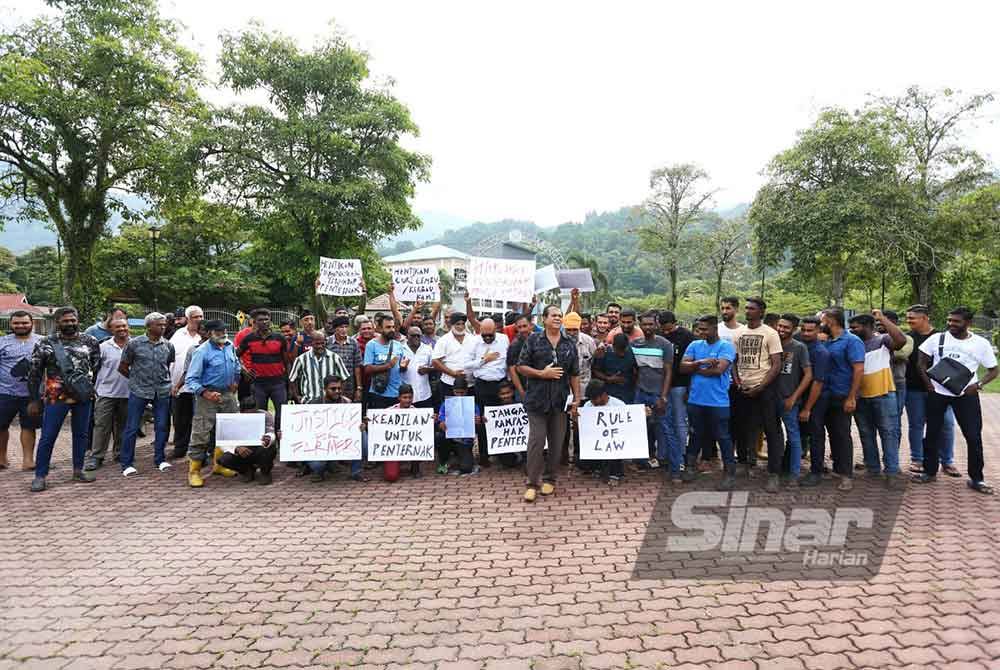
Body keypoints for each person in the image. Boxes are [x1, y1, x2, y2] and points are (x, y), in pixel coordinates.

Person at [915, 306, 998, 494]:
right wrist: (929, 385)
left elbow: (994, 370)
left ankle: (977, 479)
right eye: (949, 320)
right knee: (932, 433)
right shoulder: (937, 339)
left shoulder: (980, 343)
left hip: (966, 395)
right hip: (937, 393)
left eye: (956, 321)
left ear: (968, 323)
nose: (951, 324)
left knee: (973, 436)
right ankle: (929, 472)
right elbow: (921, 362)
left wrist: (977, 386)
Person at [27, 307, 101, 492]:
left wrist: (87, 386)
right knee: (48, 436)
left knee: (81, 434)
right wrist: (34, 399)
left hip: (83, 395)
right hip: (56, 396)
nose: (70, 323)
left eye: (73, 320)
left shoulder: (90, 341)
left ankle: (78, 470)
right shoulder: (46, 343)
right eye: (65, 320)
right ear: (57, 322)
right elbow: (34, 373)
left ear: (78, 320)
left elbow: (96, 366)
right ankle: (40, 476)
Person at [516, 305, 581, 502]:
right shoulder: (533, 340)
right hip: (536, 400)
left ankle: (550, 479)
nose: (557, 318)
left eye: (560, 316)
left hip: (560, 402)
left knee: (556, 442)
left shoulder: (570, 343)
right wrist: (541, 374)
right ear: (544, 319)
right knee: (536, 440)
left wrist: (576, 399)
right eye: (553, 315)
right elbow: (521, 366)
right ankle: (532, 483)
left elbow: (575, 374)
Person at [847, 310, 907, 484]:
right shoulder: (853, 344)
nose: (852, 330)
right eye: (850, 328)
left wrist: (882, 319)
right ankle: (873, 468)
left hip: (883, 394)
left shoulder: (882, 340)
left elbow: (901, 341)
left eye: (855, 327)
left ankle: (892, 471)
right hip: (859, 396)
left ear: (868, 326)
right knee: (866, 433)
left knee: (888, 433)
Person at [732, 297, 784, 492]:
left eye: (752, 308)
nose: (748, 311)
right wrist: (737, 382)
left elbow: (776, 364)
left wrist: (761, 387)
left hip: (765, 390)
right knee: (744, 428)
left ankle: (773, 473)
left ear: (761, 312)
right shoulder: (739, 333)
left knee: (772, 430)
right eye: (746, 308)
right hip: (743, 390)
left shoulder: (770, 334)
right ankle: (745, 464)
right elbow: (734, 361)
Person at [680, 315, 738, 490]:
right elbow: (682, 368)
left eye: (705, 329)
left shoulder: (726, 346)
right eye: (699, 329)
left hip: (718, 401)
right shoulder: (695, 345)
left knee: (723, 436)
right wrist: (702, 362)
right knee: (695, 433)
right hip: (696, 399)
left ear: (715, 328)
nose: (701, 332)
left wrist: (694, 368)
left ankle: (729, 473)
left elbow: (718, 370)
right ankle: (690, 467)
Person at [184, 319, 241, 488]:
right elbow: (191, 379)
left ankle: (220, 465)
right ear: (209, 334)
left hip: (227, 395)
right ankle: (194, 471)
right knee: (201, 433)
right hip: (207, 396)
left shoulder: (230, 345)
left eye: (224, 331)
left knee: (228, 431)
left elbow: (237, 366)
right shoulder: (201, 351)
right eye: (218, 332)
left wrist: (236, 381)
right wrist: (206, 393)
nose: (223, 334)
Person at [117, 312, 176, 477]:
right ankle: (127, 463)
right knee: (132, 427)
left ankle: (160, 459)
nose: (163, 327)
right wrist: (135, 380)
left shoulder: (168, 345)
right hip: (139, 390)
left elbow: (168, 365)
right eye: (159, 324)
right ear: (149, 326)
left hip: (162, 390)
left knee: (162, 426)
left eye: (164, 325)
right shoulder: (134, 344)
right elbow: (122, 367)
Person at [904, 304, 958, 476]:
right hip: (914, 389)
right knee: (916, 424)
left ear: (925, 318)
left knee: (947, 424)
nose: (908, 321)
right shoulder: (907, 338)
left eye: (912, 318)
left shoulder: (943, 337)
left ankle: (947, 461)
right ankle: (917, 459)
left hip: (941, 390)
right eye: (908, 318)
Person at [817, 307, 865, 491]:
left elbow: (858, 369)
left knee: (842, 433)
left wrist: (852, 396)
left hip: (842, 393)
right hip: (824, 393)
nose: (820, 324)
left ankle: (846, 475)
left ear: (831, 321)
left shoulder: (852, 341)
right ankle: (835, 468)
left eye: (822, 320)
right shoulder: (826, 341)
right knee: (828, 432)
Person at [83, 318, 130, 471]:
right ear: (111, 330)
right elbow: (93, 368)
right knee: (102, 425)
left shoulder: (135, 345)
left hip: (128, 392)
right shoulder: (102, 347)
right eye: (118, 327)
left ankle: (120, 453)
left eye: (124, 326)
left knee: (123, 426)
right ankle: (97, 456)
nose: (122, 329)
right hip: (105, 393)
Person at [632, 311, 675, 476]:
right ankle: (642, 461)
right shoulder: (635, 344)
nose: (648, 327)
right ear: (640, 325)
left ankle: (672, 465)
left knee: (665, 428)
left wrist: (663, 396)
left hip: (658, 393)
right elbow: (635, 369)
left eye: (651, 324)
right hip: (641, 392)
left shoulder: (665, 344)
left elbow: (668, 371)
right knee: (639, 427)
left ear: (657, 324)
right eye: (645, 324)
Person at [306, 376, 369, 483]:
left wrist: (361, 425)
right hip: (321, 442)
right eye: (333, 389)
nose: (337, 391)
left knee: (362, 436)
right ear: (325, 389)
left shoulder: (347, 403)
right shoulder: (314, 404)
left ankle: (356, 471)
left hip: (340, 440)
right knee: (317, 465)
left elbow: (354, 424)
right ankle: (320, 471)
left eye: (339, 388)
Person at [0, 310, 42, 471]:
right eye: (16, 323)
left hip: (32, 394)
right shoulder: (2, 342)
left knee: (29, 426)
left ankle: (28, 460)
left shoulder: (42, 341)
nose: (20, 326)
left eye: (24, 322)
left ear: (32, 323)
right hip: (5, 392)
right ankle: (2, 459)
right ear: (11, 324)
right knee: (1, 426)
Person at [774, 314, 813, 482]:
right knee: (774, 436)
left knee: (794, 437)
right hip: (770, 399)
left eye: (786, 327)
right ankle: (775, 470)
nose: (781, 330)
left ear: (794, 329)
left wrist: (793, 397)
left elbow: (808, 375)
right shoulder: (771, 343)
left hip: (789, 400)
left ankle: (794, 474)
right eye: (780, 326)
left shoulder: (799, 347)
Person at [236, 309, 289, 429]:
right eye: (261, 320)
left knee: (282, 415)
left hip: (278, 383)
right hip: (258, 384)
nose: (264, 322)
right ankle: (263, 445)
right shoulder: (249, 339)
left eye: (267, 319)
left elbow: (286, 362)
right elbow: (234, 356)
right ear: (254, 322)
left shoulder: (279, 338)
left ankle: (279, 442)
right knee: (260, 416)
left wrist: (288, 382)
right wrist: (244, 369)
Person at [468, 317, 509, 468]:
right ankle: (484, 454)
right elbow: (466, 365)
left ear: (496, 330)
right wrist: (484, 360)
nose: (487, 338)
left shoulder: (504, 340)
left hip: (501, 386)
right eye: (484, 335)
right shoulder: (473, 342)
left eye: (490, 335)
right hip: (482, 386)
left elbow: (508, 361)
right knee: (483, 422)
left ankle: (502, 453)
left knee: (502, 421)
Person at [797, 316, 833, 487]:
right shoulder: (800, 345)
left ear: (818, 330)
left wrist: (807, 408)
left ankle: (816, 471)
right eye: (803, 329)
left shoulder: (820, 352)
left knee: (816, 434)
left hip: (816, 398)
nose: (806, 333)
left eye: (810, 330)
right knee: (800, 433)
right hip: (800, 396)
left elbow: (818, 382)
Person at [659, 311, 695, 469]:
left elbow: (691, 363)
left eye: (669, 329)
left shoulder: (686, 336)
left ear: (675, 323)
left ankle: (680, 456)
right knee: (663, 421)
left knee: (680, 422)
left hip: (680, 384)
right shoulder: (659, 335)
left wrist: (689, 388)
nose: (666, 333)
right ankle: (663, 455)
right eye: (663, 330)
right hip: (661, 385)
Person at [169, 305, 204, 459]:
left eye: (201, 316)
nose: (199, 319)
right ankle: (180, 447)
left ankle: (198, 450)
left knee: (200, 419)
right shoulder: (178, 335)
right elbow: (171, 358)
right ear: (188, 318)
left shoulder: (205, 336)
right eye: (196, 317)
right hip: (180, 385)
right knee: (180, 418)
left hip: (200, 387)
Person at [217, 396, 277, 485]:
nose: (251, 416)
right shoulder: (232, 418)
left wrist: (268, 438)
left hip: (259, 448)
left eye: (254, 413)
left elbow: (271, 433)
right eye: (248, 414)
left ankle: (265, 472)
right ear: (241, 411)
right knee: (224, 459)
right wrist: (236, 448)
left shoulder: (265, 415)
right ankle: (246, 471)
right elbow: (224, 442)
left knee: (270, 449)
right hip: (241, 451)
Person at [563, 311, 597, 468]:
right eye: (568, 329)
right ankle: (563, 454)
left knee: (581, 424)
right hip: (563, 391)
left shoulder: (589, 341)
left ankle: (580, 454)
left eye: (574, 330)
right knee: (563, 424)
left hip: (584, 389)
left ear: (579, 328)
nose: (571, 333)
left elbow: (595, 365)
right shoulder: (558, 341)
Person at [582, 379, 627, 486]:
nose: (592, 402)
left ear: (603, 395)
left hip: (614, 440)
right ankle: (596, 467)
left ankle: (615, 474)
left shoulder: (618, 405)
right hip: (596, 440)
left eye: (594, 398)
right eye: (591, 399)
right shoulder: (588, 405)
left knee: (615, 449)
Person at [435, 376, 481, 475]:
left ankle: (459, 458)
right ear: (453, 391)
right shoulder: (446, 404)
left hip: (464, 442)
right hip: (449, 440)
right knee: (439, 437)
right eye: (457, 392)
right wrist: (441, 424)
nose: (460, 395)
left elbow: (477, 427)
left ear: (466, 391)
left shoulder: (472, 405)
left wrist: (478, 421)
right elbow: (440, 422)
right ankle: (443, 461)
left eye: (462, 393)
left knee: (466, 468)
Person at [287, 331, 349, 404]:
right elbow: (292, 379)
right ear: (311, 343)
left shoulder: (335, 357)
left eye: (322, 343)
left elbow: (345, 377)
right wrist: (296, 396)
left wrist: (339, 395)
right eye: (317, 343)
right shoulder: (301, 359)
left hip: (330, 403)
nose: (320, 346)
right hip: (309, 401)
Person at [880, 310, 913, 440]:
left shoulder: (907, 338)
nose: (880, 323)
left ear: (894, 322)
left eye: (883, 320)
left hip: (896, 382)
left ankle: (893, 454)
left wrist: (881, 354)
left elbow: (902, 354)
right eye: (877, 321)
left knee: (894, 420)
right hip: (876, 382)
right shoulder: (873, 338)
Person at [363, 314, 404, 410]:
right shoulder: (371, 345)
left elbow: (400, 368)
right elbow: (367, 369)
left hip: (396, 394)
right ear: (380, 329)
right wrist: (388, 366)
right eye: (388, 327)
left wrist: (403, 366)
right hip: (378, 394)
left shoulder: (398, 345)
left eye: (393, 327)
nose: (392, 330)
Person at [432, 312, 478, 397]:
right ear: (451, 324)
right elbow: (435, 362)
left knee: (470, 409)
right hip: (449, 384)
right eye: (457, 324)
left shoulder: (473, 339)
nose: (460, 327)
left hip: (470, 384)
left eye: (463, 324)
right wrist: (453, 373)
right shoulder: (443, 340)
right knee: (451, 409)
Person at [592, 333, 636, 403]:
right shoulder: (604, 352)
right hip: (609, 391)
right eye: (619, 350)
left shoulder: (632, 352)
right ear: (613, 346)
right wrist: (607, 378)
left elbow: (636, 371)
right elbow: (595, 370)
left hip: (627, 392)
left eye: (623, 350)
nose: (622, 354)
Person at [327, 316, 363, 402]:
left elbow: (357, 366)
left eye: (346, 327)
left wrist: (358, 388)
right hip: (331, 385)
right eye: (341, 327)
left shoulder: (353, 343)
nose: (344, 329)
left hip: (349, 385)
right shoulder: (327, 342)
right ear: (335, 328)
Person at [400, 326, 434, 409]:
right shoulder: (400, 348)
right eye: (413, 335)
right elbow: (394, 369)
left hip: (424, 394)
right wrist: (402, 368)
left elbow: (436, 366)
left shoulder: (428, 349)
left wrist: (428, 369)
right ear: (407, 336)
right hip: (406, 397)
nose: (416, 338)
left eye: (418, 336)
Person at [506, 314, 535, 402]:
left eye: (525, 326)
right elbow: (512, 370)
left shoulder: (541, 340)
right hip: (523, 388)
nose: (522, 330)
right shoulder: (514, 345)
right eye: (519, 327)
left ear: (531, 325)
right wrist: (521, 391)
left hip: (541, 387)